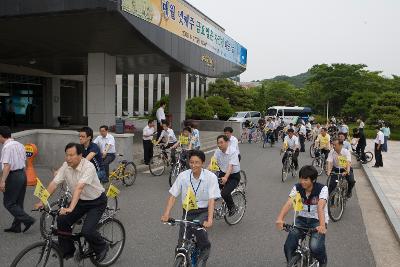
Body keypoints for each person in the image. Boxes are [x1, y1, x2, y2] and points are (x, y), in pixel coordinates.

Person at [34, 143, 108, 261]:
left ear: (80, 155)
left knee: (87, 231)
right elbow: (54, 184)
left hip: (96, 202)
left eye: (71, 155)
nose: (68, 158)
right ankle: (68, 250)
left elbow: (79, 188)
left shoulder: (88, 167)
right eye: (67, 155)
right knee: (62, 220)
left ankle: (102, 246)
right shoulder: (65, 166)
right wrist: (43, 200)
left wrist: (70, 208)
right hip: (80, 200)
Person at [161, 150, 220, 267]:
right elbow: (173, 196)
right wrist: (166, 214)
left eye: (197, 162)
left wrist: (209, 220)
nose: (193, 165)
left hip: (203, 210)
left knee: (198, 230)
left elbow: (211, 199)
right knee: (181, 243)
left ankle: (205, 247)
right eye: (191, 162)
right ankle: (181, 260)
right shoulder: (183, 176)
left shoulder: (210, 177)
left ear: (203, 163)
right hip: (188, 210)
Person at [276, 165, 328, 267]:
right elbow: (290, 202)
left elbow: (320, 207)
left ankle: (323, 261)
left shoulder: (322, 189)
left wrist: (322, 225)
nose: (302, 182)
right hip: (301, 219)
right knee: (289, 246)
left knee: (315, 247)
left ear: (313, 180)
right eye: (301, 178)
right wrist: (280, 219)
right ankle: (292, 263)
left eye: (305, 179)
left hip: (317, 220)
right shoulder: (297, 188)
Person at [0, 126, 35, 233]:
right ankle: (16, 226)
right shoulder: (19, 144)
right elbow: (24, 159)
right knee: (18, 202)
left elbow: (7, 165)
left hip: (13, 176)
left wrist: (2, 181)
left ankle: (28, 220)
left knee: (9, 203)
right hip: (22, 174)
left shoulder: (7, 147)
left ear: (1, 136)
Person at [210, 135, 241, 216]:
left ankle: (232, 207)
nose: (219, 145)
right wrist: (204, 172)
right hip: (222, 173)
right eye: (218, 143)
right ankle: (210, 211)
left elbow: (231, 166)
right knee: (210, 191)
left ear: (227, 142)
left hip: (233, 176)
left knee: (224, 193)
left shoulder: (233, 151)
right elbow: (212, 163)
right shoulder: (217, 151)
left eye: (221, 142)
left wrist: (226, 177)